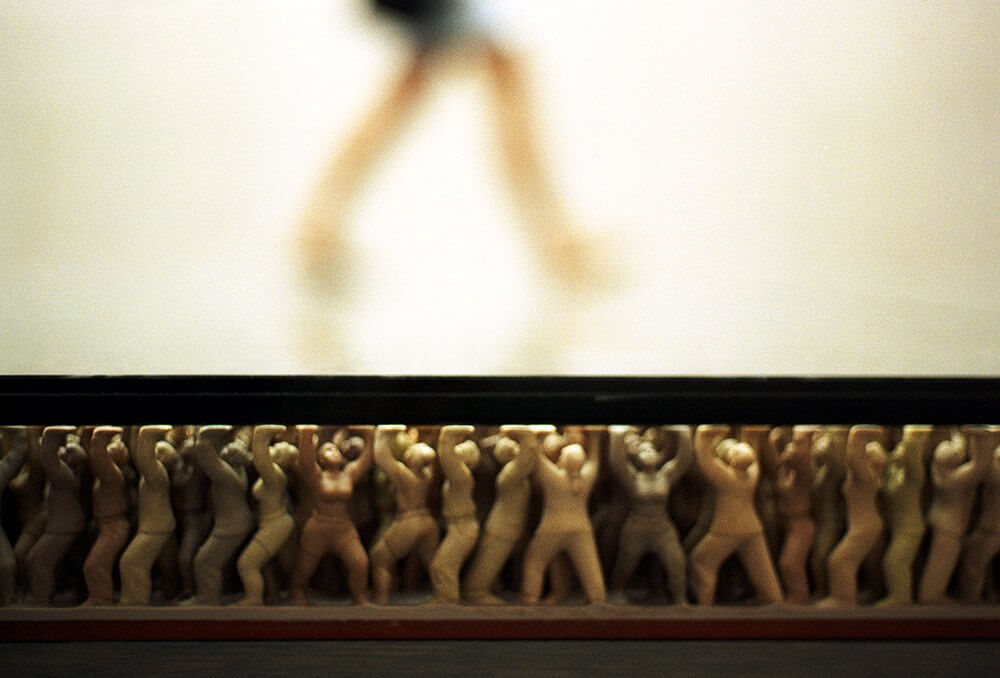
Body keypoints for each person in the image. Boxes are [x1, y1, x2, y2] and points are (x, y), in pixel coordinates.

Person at [689, 425, 782, 605]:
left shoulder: (726, 477)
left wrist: (704, 435)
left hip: (727, 531)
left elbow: (705, 457)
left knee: (701, 562)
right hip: (753, 529)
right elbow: (753, 453)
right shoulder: (751, 476)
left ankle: (704, 608)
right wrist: (751, 436)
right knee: (763, 574)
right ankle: (773, 602)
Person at [607, 425, 692, 604]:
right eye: (642, 450)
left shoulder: (666, 474)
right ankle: (617, 591)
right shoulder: (633, 477)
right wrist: (617, 434)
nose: (646, 452)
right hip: (636, 529)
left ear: (658, 455)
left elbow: (684, 460)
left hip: (663, 529)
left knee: (676, 563)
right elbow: (617, 462)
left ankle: (680, 599)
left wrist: (683, 433)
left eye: (649, 449)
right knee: (625, 564)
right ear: (637, 458)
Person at [290, 425, 374, 605]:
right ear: (321, 458)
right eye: (328, 449)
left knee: (360, 563)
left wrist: (368, 434)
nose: (334, 451)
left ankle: (359, 597)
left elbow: (366, 460)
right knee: (305, 567)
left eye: (335, 449)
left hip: (343, 528)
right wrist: (307, 432)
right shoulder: (317, 476)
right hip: (318, 528)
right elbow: (306, 460)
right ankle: (297, 592)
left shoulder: (348, 474)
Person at [521, 426, 605, 605]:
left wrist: (537, 438)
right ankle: (598, 599)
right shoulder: (586, 478)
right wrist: (596, 438)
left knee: (534, 562)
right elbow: (595, 460)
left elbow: (538, 458)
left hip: (552, 528)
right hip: (581, 530)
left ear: (563, 461)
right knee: (590, 567)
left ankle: (530, 599)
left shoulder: (554, 478)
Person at [236, 425, 299, 606]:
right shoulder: (272, 474)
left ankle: (253, 598)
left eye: (278, 448)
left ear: (281, 458)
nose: (274, 446)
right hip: (272, 522)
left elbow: (260, 455)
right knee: (275, 563)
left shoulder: (274, 474)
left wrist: (262, 434)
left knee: (247, 563)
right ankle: (275, 594)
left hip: (276, 524)